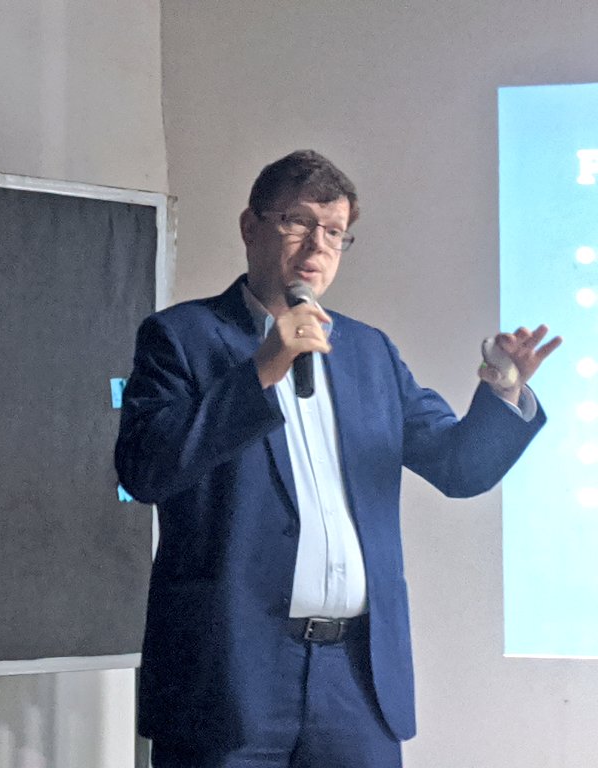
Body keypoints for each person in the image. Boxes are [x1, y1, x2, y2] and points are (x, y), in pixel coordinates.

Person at [114, 150, 561, 768]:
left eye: (334, 231)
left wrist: (504, 391)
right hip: (228, 674)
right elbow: (146, 470)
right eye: (298, 222)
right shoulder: (181, 337)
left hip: (356, 678)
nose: (316, 245)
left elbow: (459, 469)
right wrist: (261, 371)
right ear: (250, 227)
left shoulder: (370, 352)